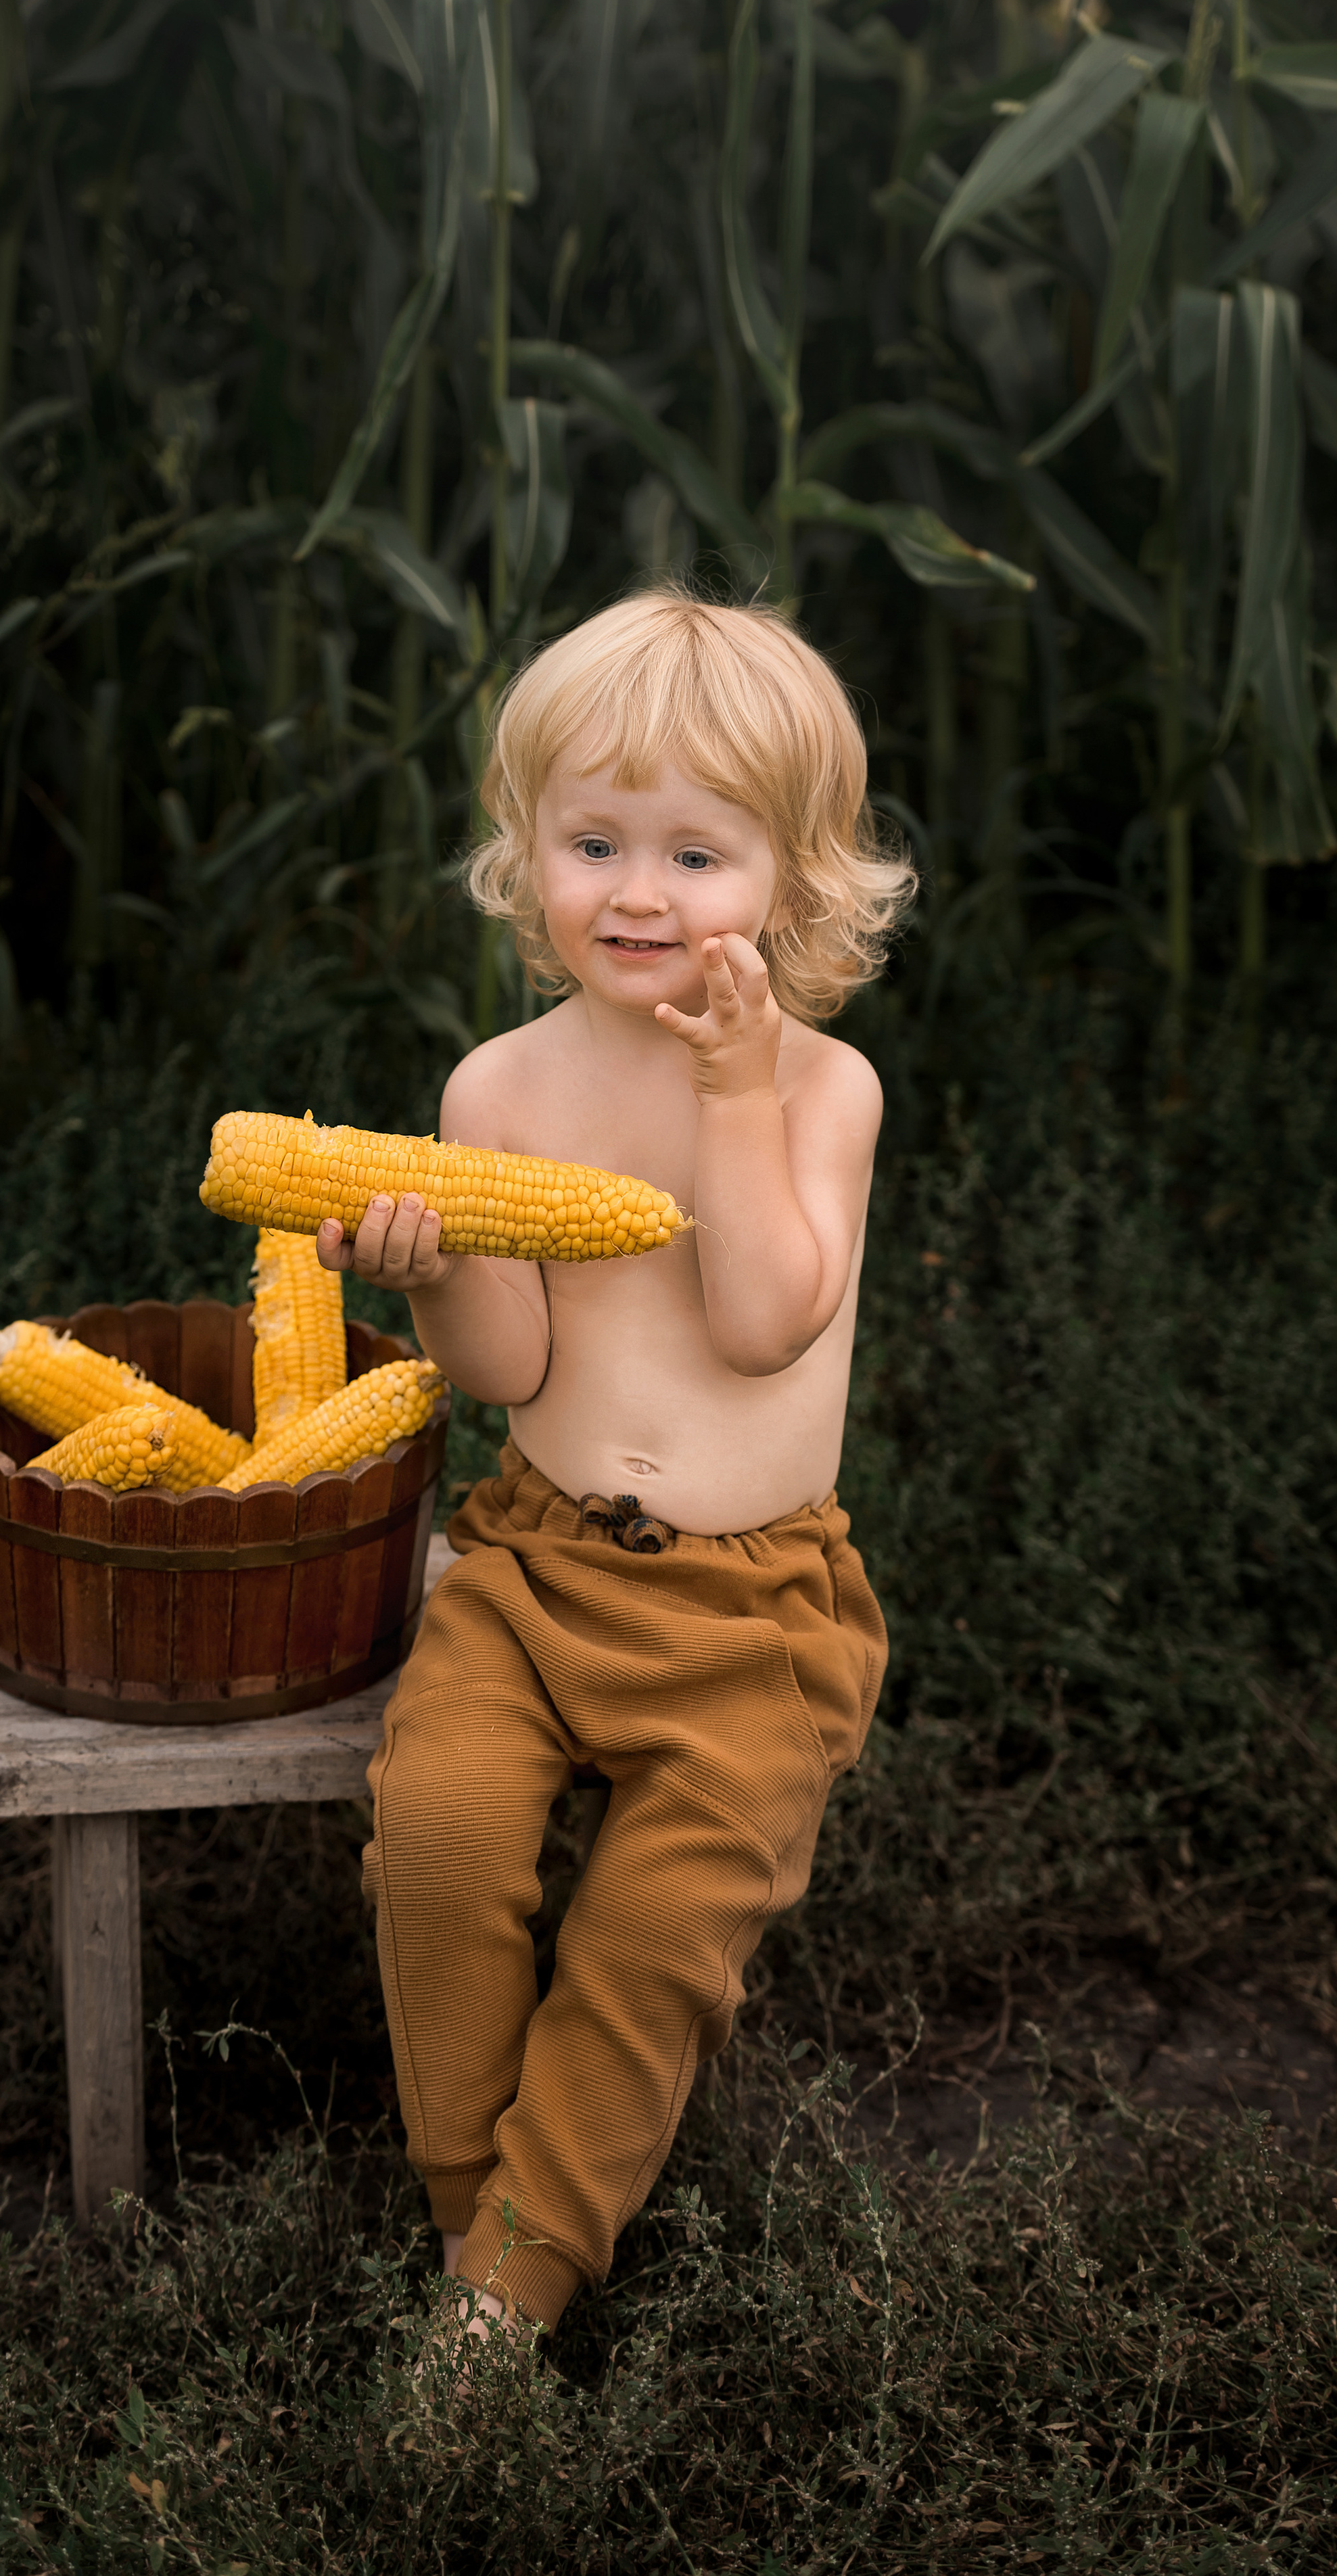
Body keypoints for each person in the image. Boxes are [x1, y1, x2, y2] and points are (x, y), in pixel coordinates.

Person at [317, 588, 914, 2353]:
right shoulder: (499, 1087)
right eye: (594, 842)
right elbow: (509, 1373)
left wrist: (729, 1095)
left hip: (753, 1607)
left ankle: (516, 2270)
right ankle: (479, 2225)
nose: (638, 894)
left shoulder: (822, 1094)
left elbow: (764, 1327)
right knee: (434, 1835)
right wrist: (434, 1266)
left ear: (796, 882)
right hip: (536, 1563)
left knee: (655, 1926)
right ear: (530, 858)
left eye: (696, 855)